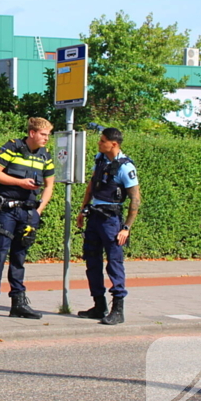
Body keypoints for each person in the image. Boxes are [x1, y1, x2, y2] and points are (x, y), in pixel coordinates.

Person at [0, 117, 55, 322]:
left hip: (29, 212)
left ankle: (18, 303)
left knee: (19, 257)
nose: (47, 138)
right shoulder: (12, 148)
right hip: (7, 210)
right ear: (32, 133)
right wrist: (20, 183)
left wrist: (39, 210)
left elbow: (49, 185)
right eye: (43, 134)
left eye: (48, 135)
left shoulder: (45, 155)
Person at [75, 127, 140, 325]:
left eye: (102, 141)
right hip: (95, 217)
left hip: (112, 221)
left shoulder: (125, 167)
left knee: (114, 264)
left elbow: (135, 199)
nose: (99, 143)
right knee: (92, 262)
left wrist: (126, 228)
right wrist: (83, 209)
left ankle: (118, 310)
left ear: (113, 143)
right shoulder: (100, 160)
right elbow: (92, 185)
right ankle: (99, 306)